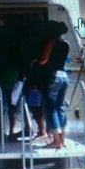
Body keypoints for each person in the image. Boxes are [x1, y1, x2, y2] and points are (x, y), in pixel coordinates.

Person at [26, 20, 70, 148]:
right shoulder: (65, 43)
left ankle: (56, 141)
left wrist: (35, 62)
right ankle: (63, 140)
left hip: (52, 77)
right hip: (63, 76)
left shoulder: (51, 41)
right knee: (60, 107)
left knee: (50, 109)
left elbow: (44, 59)